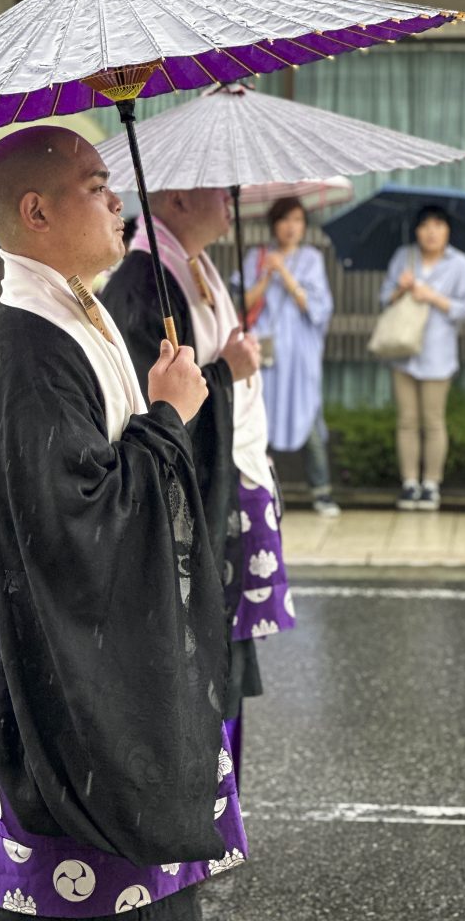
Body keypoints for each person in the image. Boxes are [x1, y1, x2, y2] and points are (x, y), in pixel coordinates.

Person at [0, 127, 247, 921]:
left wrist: (167, 405)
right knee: (79, 873)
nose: (118, 204)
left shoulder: (69, 311)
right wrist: (170, 418)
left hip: (76, 628)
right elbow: (78, 524)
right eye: (97, 186)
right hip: (58, 645)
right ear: (35, 212)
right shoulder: (30, 351)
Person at [102, 188, 296, 778]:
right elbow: (158, 411)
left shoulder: (191, 265)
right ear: (181, 197)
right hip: (199, 501)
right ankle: (206, 798)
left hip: (227, 483)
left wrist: (232, 365)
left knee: (225, 656)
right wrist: (225, 372)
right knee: (203, 660)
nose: (231, 197)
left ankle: (222, 798)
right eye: (218, 186)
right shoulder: (144, 281)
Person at [240, 197, 340, 518]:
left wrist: (284, 272)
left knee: (308, 416)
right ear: (274, 225)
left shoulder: (311, 259)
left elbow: (319, 309)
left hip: (300, 355)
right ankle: (260, 489)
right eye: (284, 219)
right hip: (265, 354)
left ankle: (322, 491)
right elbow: (241, 305)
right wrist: (266, 276)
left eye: (297, 220)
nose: (291, 227)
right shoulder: (256, 257)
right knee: (260, 417)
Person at [380, 206, 465, 511]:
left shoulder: (459, 263)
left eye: (438, 225)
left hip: (438, 353)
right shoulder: (403, 256)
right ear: (416, 231)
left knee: (433, 421)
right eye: (425, 226)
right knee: (407, 421)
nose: (431, 232)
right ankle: (410, 483)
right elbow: (383, 298)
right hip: (403, 350)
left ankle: (431, 484)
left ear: (448, 230)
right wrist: (401, 288)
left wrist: (432, 297)